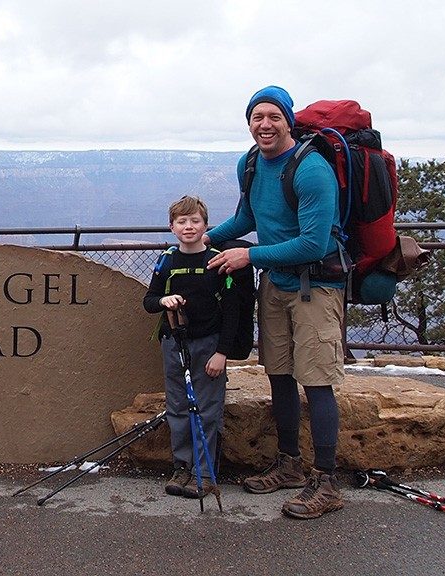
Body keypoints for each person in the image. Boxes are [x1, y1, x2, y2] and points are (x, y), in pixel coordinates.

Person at [205, 85, 344, 519]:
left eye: (273, 117)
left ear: (288, 121)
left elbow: (312, 243)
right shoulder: (249, 163)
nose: (264, 125)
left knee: (317, 380)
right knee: (279, 375)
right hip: (276, 285)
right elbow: (249, 218)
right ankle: (289, 465)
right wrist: (206, 237)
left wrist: (249, 254)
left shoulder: (311, 169)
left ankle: (327, 481)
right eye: (256, 117)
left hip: (316, 287)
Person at [143, 196, 239, 499]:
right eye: (182, 221)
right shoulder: (168, 261)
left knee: (208, 411)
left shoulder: (216, 261)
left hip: (208, 345)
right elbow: (149, 300)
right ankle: (182, 467)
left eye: (195, 221)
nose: (188, 227)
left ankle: (205, 473)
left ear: (205, 225)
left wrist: (222, 353)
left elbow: (233, 312)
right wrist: (163, 301)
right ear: (172, 227)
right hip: (175, 343)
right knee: (178, 408)